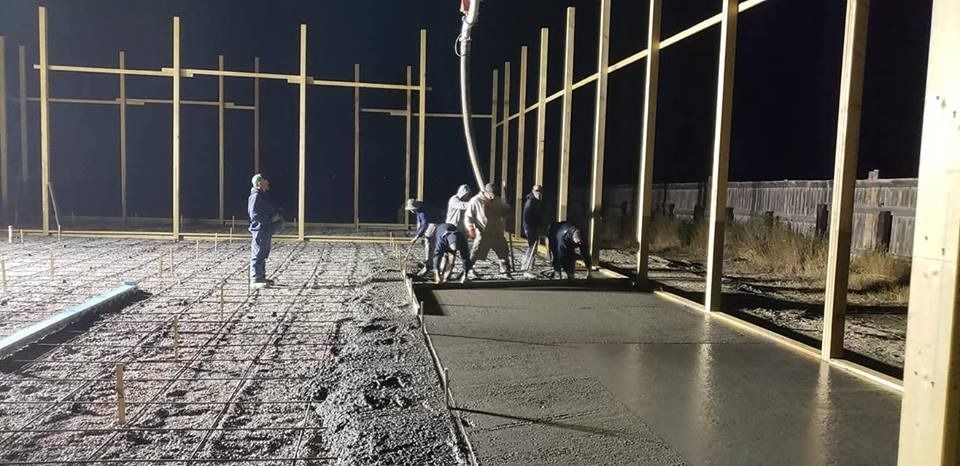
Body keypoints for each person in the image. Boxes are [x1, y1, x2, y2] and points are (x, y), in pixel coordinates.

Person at [464, 183, 512, 275]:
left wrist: (507, 209)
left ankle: (505, 269)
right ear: (485, 192)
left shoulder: (497, 200)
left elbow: (503, 211)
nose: (492, 196)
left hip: (497, 232)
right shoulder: (476, 201)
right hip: (484, 232)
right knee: (476, 252)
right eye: (490, 194)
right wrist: (470, 228)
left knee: (503, 251)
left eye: (493, 194)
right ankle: (468, 269)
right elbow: (468, 216)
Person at [248, 174, 283, 288]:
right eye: (264, 180)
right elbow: (254, 215)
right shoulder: (256, 196)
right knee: (258, 253)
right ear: (259, 183)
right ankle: (256, 279)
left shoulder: (261, 196)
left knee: (262, 253)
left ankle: (261, 277)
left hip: (264, 229)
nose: (267, 182)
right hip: (260, 229)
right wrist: (270, 220)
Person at [405, 199, 437, 277]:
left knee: (429, 245)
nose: (411, 211)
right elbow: (421, 225)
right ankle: (428, 262)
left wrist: (416, 237)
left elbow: (424, 224)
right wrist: (417, 234)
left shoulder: (422, 212)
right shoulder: (419, 210)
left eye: (412, 209)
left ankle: (429, 266)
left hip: (433, 226)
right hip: (430, 226)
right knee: (428, 245)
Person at [520, 184, 544, 277]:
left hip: (533, 227)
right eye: (537, 191)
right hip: (531, 228)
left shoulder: (536, 201)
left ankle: (529, 265)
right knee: (532, 247)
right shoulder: (531, 202)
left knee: (533, 247)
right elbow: (527, 218)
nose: (539, 193)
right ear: (533, 191)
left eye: (540, 191)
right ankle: (526, 266)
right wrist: (531, 228)